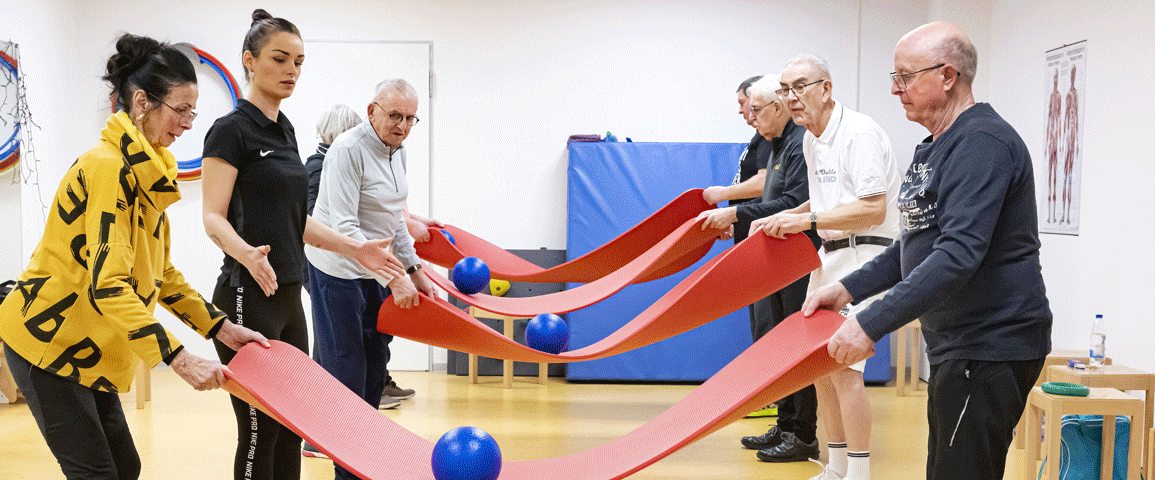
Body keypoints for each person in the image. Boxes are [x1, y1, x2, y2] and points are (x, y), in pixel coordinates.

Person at [0, 33, 270, 480]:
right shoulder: (109, 169)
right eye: (180, 110)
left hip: (88, 345)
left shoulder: (148, 174)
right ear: (142, 102)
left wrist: (221, 329)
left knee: (125, 466)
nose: (187, 124)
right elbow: (110, 286)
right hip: (45, 344)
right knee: (99, 473)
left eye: (192, 111)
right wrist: (179, 358)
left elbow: (160, 275)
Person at [804, 22, 1051, 480]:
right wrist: (845, 289)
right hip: (957, 344)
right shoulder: (933, 147)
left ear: (948, 76)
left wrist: (870, 323)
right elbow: (912, 247)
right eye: (895, 77)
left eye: (905, 76)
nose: (896, 89)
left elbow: (958, 254)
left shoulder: (982, 144)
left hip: (991, 344)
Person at [201, 10, 405, 480]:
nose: (291, 69)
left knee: (293, 426)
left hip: (290, 295)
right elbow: (212, 217)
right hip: (245, 294)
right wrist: (245, 253)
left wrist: (356, 250)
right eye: (279, 58)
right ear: (250, 61)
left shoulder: (286, 130)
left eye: (299, 61)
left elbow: (298, 221)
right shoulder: (230, 130)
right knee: (259, 430)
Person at [754, 54, 900, 480]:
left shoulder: (858, 133)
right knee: (822, 367)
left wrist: (808, 221)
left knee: (846, 369)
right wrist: (781, 216)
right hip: (830, 257)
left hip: (866, 256)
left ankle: (859, 473)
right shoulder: (809, 138)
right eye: (785, 90)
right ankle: (836, 468)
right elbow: (821, 205)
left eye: (800, 86)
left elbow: (873, 208)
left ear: (826, 88)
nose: (791, 98)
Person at [305, 78, 437, 480]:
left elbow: (394, 218)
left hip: (375, 269)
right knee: (348, 367)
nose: (401, 125)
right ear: (372, 110)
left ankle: (365, 458)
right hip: (337, 270)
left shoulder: (399, 152)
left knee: (377, 361)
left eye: (410, 118)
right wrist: (394, 275)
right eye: (394, 115)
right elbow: (345, 227)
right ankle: (348, 470)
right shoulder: (347, 150)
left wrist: (414, 269)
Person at [697, 75, 821, 462]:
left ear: (777, 107)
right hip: (772, 259)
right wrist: (737, 222)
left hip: (797, 258)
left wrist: (735, 213)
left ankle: (802, 435)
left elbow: (794, 203)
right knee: (774, 346)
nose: (749, 116)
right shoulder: (776, 146)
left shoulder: (801, 145)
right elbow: (772, 197)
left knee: (795, 349)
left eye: (755, 109)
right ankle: (785, 424)